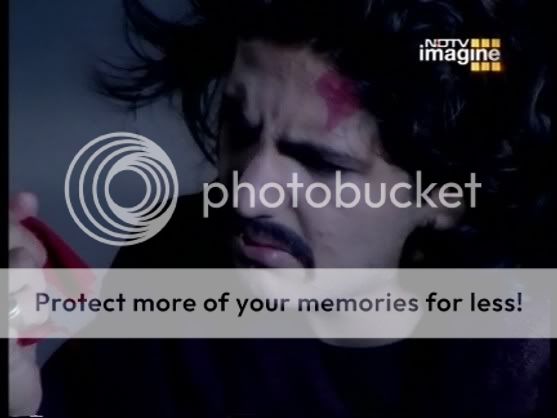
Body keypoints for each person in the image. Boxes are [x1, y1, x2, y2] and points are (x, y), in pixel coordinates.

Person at [8, 0, 553, 416]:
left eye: (321, 163)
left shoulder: (522, 358)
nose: (245, 197)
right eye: (239, 129)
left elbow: (491, 57)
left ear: (447, 195)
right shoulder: (172, 257)